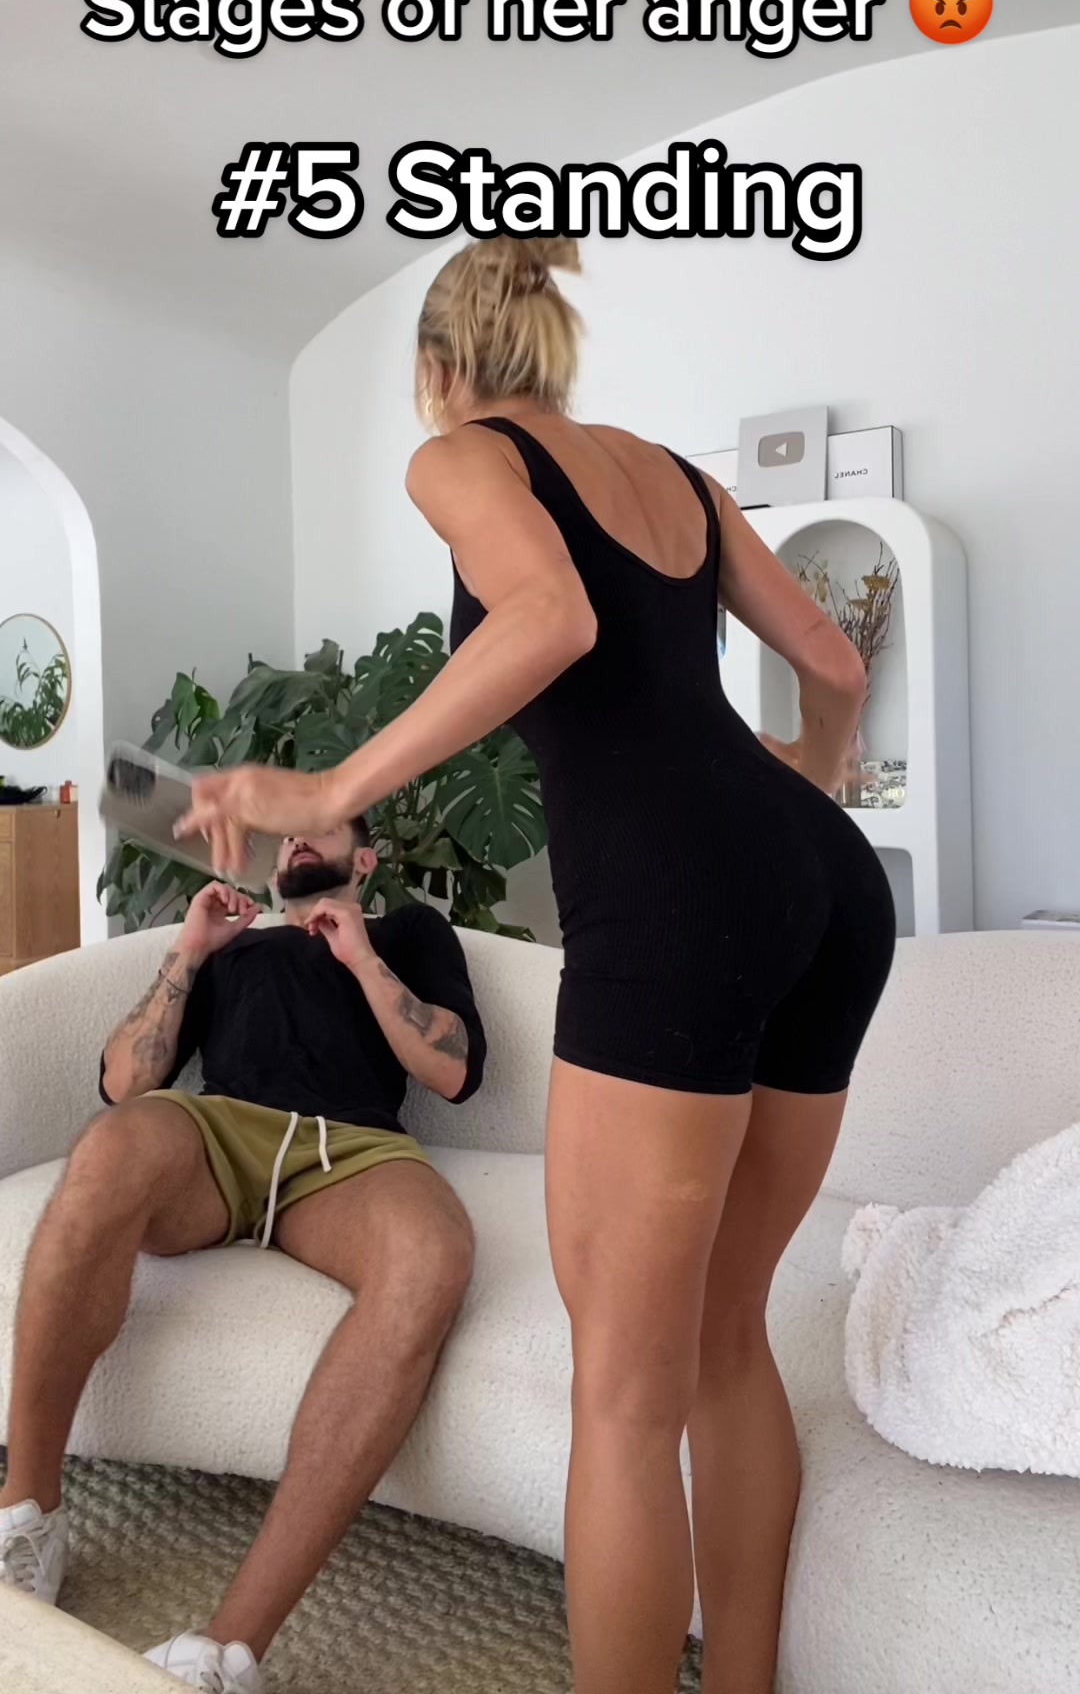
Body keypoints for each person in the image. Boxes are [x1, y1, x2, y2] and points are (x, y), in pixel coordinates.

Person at [177, 238, 897, 1694]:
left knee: (624, 1394)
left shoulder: (461, 457)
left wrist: (328, 791)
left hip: (677, 902)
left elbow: (552, 616)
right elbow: (831, 659)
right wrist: (804, 792)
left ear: (440, 369)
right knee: (725, 1342)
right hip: (825, 884)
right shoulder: (678, 479)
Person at [0, 817, 484, 1694]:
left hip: (353, 1152)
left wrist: (360, 957)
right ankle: (28, 1516)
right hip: (220, 1134)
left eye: (319, 826)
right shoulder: (234, 948)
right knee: (107, 1151)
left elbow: (453, 1072)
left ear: (363, 859)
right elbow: (123, 1082)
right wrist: (189, 950)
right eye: (285, 832)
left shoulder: (409, 933)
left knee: (434, 1255)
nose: (295, 839)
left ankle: (227, 1653)